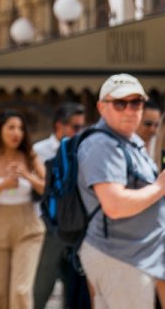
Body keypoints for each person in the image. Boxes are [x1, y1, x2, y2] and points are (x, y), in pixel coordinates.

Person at [77, 74, 165, 308]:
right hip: (119, 257)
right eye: (120, 103)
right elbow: (114, 205)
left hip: (134, 257)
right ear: (101, 107)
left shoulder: (129, 141)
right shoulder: (103, 144)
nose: (129, 110)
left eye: (136, 103)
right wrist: (159, 187)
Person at [0, 110, 45, 309]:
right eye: (11, 127)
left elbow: (47, 188)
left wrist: (27, 176)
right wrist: (1, 185)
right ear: (0, 131)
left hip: (27, 225)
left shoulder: (30, 156)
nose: (17, 133)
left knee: (21, 292)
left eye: (21, 128)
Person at [32, 103, 89, 309]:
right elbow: (42, 188)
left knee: (74, 288)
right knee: (41, 286)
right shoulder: (39, 151)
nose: (79, 132)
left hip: (76, 228)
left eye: (82, 127)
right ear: (59, 126)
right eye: (75, 127)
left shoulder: (85, 148)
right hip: (49, 227)